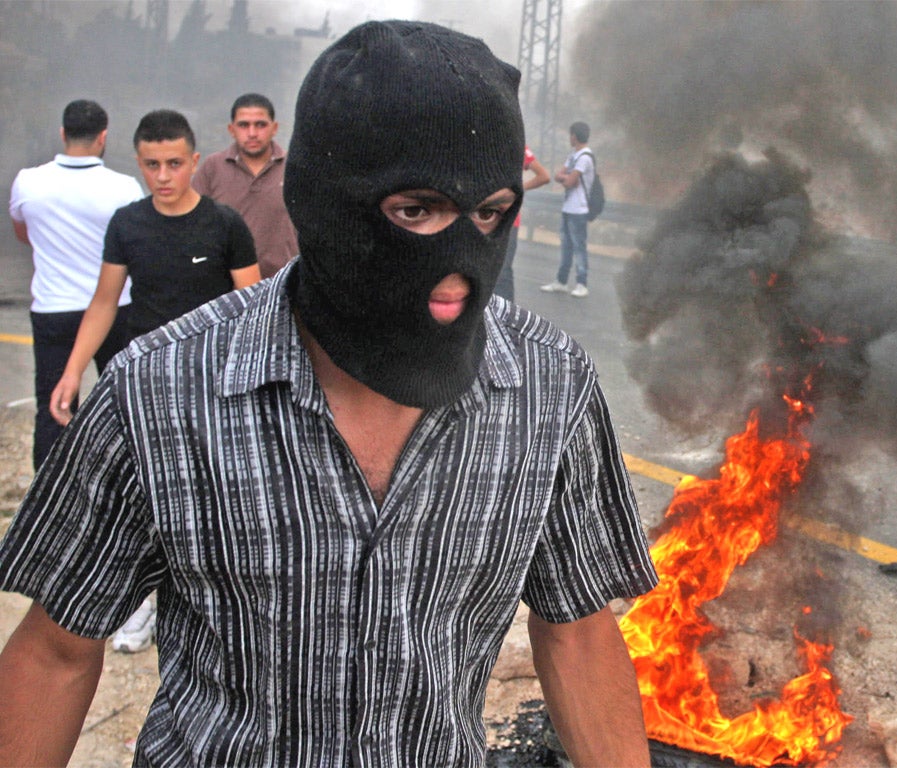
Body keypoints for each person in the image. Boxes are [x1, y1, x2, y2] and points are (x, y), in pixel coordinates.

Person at [0, 21, 658, 768]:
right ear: (324, 203)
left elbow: (577, 633)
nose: (457, 267)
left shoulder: (549, 387)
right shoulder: (162, 392)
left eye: (487, 214)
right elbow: (55, 653)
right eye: (416, 211)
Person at [47, 108, 260, 655]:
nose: (163, 176)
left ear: (194, 161)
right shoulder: (128, 224)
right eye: (151, 165)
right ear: (138, 163)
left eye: (173, 163)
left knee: (213, 498)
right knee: (145, 497)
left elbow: (252, 306)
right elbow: (103, 302)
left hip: (213, 385)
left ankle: (216, 609)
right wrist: (72, 371)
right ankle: (140, 605)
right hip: (145, 380)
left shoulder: (224, 226)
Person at [8, 99, 144, 470]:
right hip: (115, 307)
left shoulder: (28, 182)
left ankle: (48, 494)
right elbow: (132, 245)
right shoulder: (124, 188)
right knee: (122, 403)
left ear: (63, 134)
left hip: (54, 307)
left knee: (54, 405)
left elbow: (25, 234)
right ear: (103, 137)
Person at [192, 93, 298, 278]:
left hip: (283, 285)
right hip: (224, 287)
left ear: (274, 128)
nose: (252, 133)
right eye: (243, 125)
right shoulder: (213, 167)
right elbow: (192, 222)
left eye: (260, 124)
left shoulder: (294, 167)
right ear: (231, 129)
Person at [540, 121, 595, 298]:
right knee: (566, 247)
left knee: (579, 247)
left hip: (579, 210)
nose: (569, 138)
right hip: (568, 207)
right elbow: (560, 176)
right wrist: (568, 178)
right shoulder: (573, 155)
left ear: (575, 136)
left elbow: (570, 182)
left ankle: (582, 283)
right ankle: (561, 282)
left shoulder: (585, 157)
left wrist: (567, 179)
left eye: (571, 135)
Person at [493, 144, 549, 302]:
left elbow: (543, 176)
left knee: (502, 269)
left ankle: (506, 317)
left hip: (504, 217)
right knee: (495, 268)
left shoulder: (517, 145)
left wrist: (519, 189)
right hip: (493, 217)